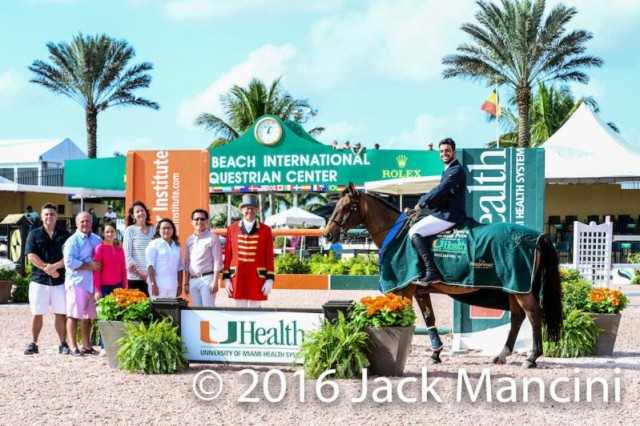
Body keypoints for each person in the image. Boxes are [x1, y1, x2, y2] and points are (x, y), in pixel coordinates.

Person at [408, 138, 466, 283]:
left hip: (449, 215)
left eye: (447, 151)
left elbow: (440, 189)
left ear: (454, 152)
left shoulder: (456, 170)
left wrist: (421, 203)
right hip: (443, 212)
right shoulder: (448, 169)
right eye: (441, 151)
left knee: (414, 231)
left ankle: (432, 271)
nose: (444, 154)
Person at [24, 203, 71, 355]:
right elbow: (31, 255)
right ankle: (33, 343)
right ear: (41, 216)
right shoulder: (34, 234)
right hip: (39, 280)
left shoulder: (65, 235)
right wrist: (48, 269)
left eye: (52, 214)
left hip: (60, 280)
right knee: (37, 312)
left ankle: (63, 344)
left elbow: (69, 257)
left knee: (60, 313)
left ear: (57, 216)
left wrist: (56, 267)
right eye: (46, 214)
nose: (49, 217)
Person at [223, 194, 274, 308]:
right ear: (242, 210)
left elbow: (269, 256)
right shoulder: (232, 228)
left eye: (252, 208)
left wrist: (269, 280)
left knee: (255, 312)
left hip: (256, 278)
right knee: (239, 311)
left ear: (256, 210)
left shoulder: (265, 230)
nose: (249, 210)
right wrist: (226, 279)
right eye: (246, 208)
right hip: (237, 276)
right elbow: (228, 254)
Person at [63, 211, 102, 356]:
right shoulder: (72, 241)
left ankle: (87, 346)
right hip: (77, 282)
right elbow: (69, 262)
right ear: (77, 223)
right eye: (82, 221)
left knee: (88, 317)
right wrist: (88, 266)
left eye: (88, 221)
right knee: (73, 315)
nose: (85, 224)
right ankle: (73, 347)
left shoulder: (97, 239)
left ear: (92, 223)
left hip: (92, 284)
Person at [92, 220, 127, 355]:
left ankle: (117, 345)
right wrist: (97, 290)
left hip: (118, 286)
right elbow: (97, 271)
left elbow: (123, 271)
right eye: (107, 231)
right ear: (103, 233)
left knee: (118, 316)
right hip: (104, 287)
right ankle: (103, 346)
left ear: (116, 232)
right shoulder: (100, 248)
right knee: (105, 317)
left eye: (112, 231)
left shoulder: (119, 249)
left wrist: (124, 289)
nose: (110, 234)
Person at [184, 208, 223, 307]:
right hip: (192, 280)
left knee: (208, 310)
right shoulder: (189, 240)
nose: (199, 221)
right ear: (192, 222)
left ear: (206, 221)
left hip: (207, 279)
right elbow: (187, 263)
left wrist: (215, 281)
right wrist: (186, 283)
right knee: (197, 312)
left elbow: (218, 261)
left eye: (202, 219)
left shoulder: (213, 238)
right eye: (196, 219)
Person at [123, 201, 155, 296]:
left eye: (142, 210)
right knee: (137, 308)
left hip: (152, 278)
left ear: (146, 212)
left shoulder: (154, 229)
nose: (140, 213)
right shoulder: (130, 230)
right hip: (135, 278)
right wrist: (141, 274)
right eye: (137, 211)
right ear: (133, 216)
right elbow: (127, 255)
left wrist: (149, 275)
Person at [146, 218, 183, 299]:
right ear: (159, 230)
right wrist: (153, 284)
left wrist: (179, 286)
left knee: (171, 311)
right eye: (164, 228)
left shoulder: (177, 246)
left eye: (169, 228)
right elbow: (150, 265)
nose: (166, 230)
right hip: (158, 285)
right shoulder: (154, 244)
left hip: (173, 286)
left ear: (173, 230)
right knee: (158, 311)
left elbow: (180, 267)